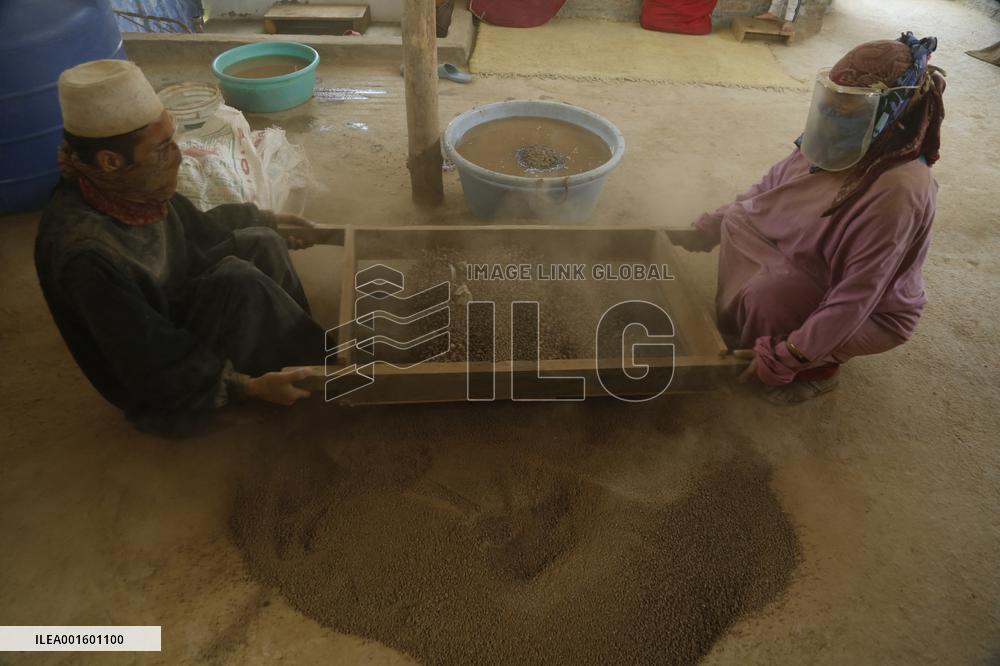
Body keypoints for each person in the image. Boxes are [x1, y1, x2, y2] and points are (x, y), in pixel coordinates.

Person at [35, 59, 326, 433]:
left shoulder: (129, 185)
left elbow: (199, 231)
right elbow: (148, 362)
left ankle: (307, 358)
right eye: (161, 147)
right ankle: (316, 370)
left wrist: (264, 219)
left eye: (172, 140)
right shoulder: (85, 254)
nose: (176, 155)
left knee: (262, 243)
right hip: (163, 383)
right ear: (110, 161)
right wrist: (246, 388)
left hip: (175, 306)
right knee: (240, 281)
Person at [669, 33, 946, 404]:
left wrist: (787, 358)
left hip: (873, 310)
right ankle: (752, 332)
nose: (832, 113)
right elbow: (766, 190)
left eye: (848, 107)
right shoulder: (833, 141)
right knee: (737, 220)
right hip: (809, 258)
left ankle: (816, 367)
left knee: (773, 292)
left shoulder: (899, 189)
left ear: (889, 114)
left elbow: (858, 293)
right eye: (831, 100)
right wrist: (710, 227)